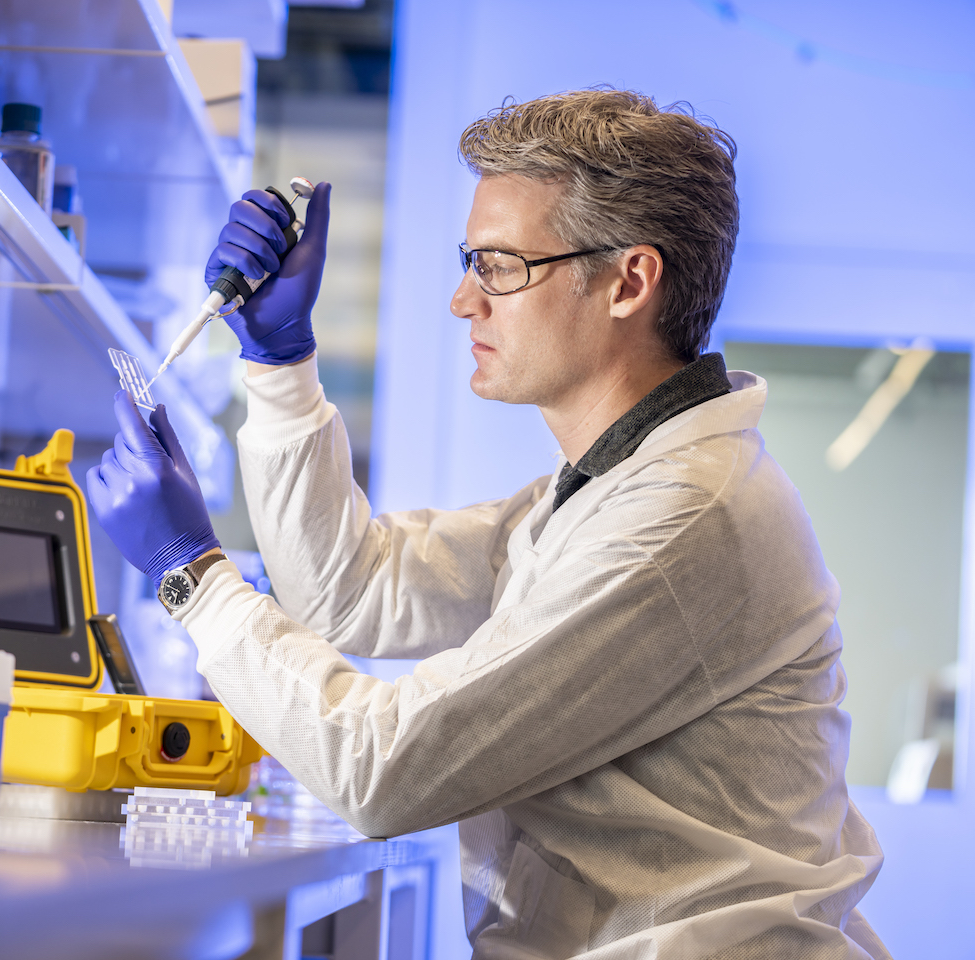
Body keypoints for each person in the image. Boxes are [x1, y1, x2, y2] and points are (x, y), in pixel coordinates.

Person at [86, 89, 889, 959]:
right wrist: (279, 362)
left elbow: (382, 770)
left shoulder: (683, 519)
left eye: (501, 265)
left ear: (629, 281)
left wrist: (192, 575)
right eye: (470, 260)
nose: (465, 300)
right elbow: (351, 592)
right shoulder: (608, 487)